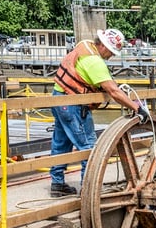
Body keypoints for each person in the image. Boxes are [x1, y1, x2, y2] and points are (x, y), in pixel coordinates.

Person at [49, 28, 149, 197]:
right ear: (102, 46)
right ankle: (88, 190)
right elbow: (114, 92)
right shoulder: (95, 62)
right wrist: (137, 108)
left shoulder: (85, 47)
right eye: (110, 52)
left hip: (59, 97)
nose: (110, 56)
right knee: (89, 146)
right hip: (73, 104)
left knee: (62, 142)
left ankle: (57, 183)